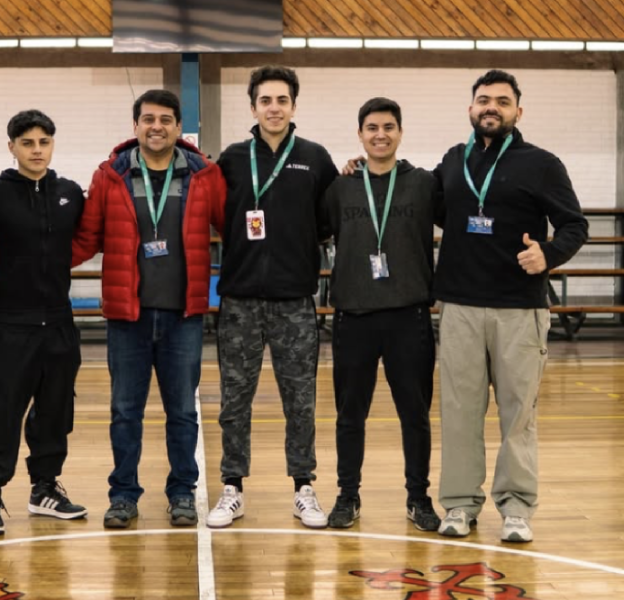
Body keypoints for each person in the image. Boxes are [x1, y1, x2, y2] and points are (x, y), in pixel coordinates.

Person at [434, 70, 588, 542]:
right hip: (460, 306)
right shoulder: (452, 161)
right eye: (484, 100)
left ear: (518, 111)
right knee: (459, 412)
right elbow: (425, 206)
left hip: (520, 308)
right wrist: (361, 170)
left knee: (518, 415)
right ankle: (459, 504)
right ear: (470, 109)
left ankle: (516, 507)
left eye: (502, 101)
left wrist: (549, 254)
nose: (492, 107)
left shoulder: (541, 164)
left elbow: (574, 225)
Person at [72, 89, 227, 528]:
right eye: (148, 119)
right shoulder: (110, 175)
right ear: (135, 126)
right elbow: (86, 239)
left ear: (179, 127)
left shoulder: (204, 175)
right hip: (128, 318)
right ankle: (123, 495)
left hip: (184, 317)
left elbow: (233, 226)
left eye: (165, 119)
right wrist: (36, 264)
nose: (156, 127)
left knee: (183, 413)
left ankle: (182, 493)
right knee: (125, 412)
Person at [209, 65, 338, 529]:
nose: (274, 108)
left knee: (300, 400)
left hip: (294, 301)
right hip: (239, 301)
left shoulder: (315, 158)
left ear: (293, 106)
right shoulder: (231, 159)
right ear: (253, 108)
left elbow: (328, 220)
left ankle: (304, 487)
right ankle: (232, 487)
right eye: (265, 100)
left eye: (282, 100)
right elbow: (218, 217)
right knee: (234, 401)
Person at [322, 98, 441, 532]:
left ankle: (418, 497)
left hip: (409, 317)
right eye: (372, 128)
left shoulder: (424, 184)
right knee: (350, 415)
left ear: (400, 133)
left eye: (388, 127)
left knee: (415, 415)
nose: (380, 135)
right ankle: (347, 495)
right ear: (360, 134)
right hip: (354, 317)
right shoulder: (340, 187)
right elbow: (314, 230)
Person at [0, 110, 87, 536]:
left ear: (52, 145)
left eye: (44, 142)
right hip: (11, 323)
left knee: (56, 409)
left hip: (59, 321)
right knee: (2, 410)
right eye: (27, 143)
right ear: (12, 147)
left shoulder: (70, 193)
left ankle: (44, 488)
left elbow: (88, 239)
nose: (37, 150)